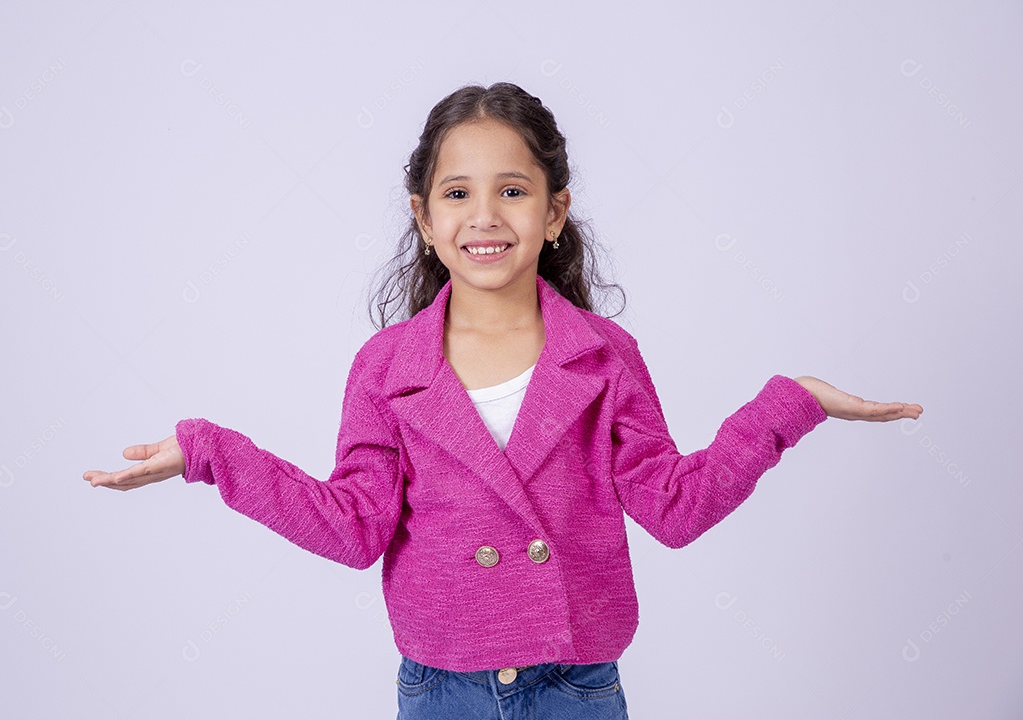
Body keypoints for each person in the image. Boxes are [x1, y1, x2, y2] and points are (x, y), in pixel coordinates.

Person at [83, 82, 922, 719]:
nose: (485, 215)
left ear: (555, 211)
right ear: (423, 216)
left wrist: (789, 406)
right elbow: (353, 527)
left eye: (513, 191)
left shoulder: (604, 357)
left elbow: (672, 506)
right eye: (457, 193)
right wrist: (211, 456)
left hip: (577, 689)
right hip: (442, 688)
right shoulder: (386, 367)